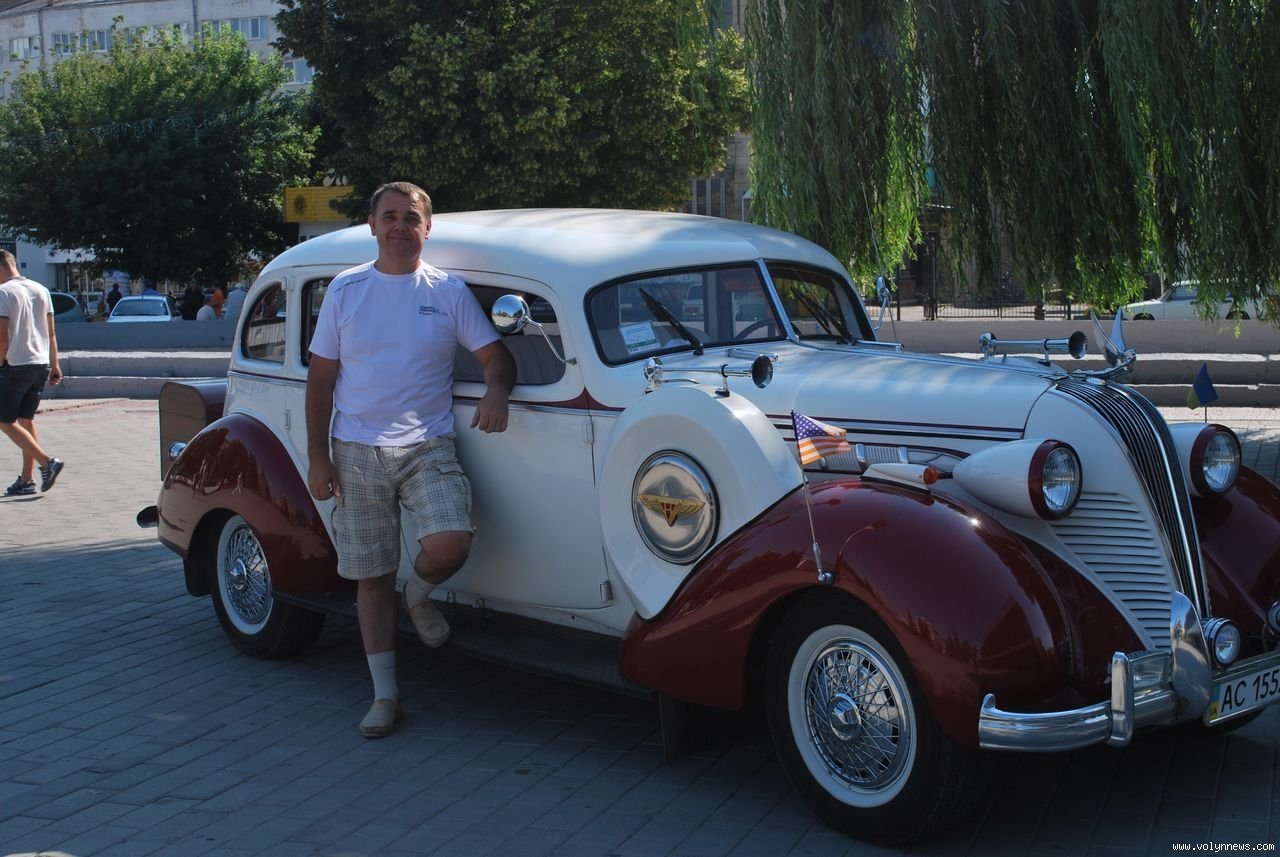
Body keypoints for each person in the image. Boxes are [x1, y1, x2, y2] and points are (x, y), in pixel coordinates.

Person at [306, 181, 515, 739]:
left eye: (411, 218)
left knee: (452, 542)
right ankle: (385, 696)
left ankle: (418, 595)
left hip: (427, 443)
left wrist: (497, 390)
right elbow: (321, 380)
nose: (400, 226)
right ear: (373, 225)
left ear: (427, 227)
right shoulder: (346, 290)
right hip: (355, 447)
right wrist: (318, 457)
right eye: (390, 216)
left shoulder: (447, 291)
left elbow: (495, 356)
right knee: (371, 576)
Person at [0, 250, 64, 495]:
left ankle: (47, 462)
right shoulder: (41, 290)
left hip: (15, 365)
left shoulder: (4, 293)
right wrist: (55, 365)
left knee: (5, 421)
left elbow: (2, 338)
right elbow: (52, 332)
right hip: (40, 364)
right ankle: (27, 480)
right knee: (26, 420)